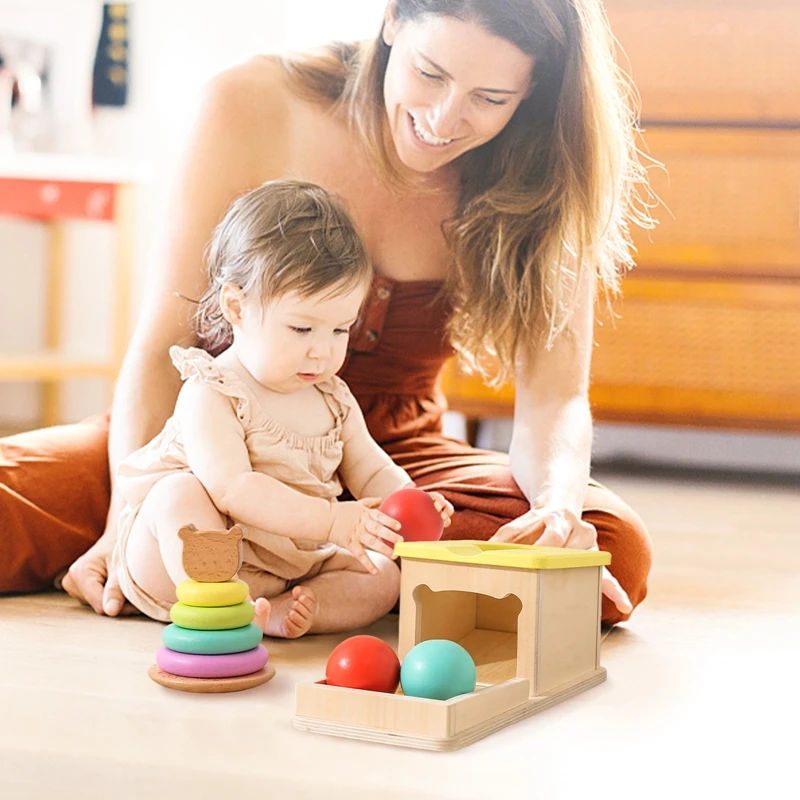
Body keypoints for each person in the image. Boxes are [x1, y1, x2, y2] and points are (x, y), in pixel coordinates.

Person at [0, 0, 654, 626]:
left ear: (534, 92)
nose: (444, 118)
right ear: (393, 15)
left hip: (387, 455)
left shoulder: (544, 172)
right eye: (430, 73)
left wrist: (557, 509)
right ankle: (271, 555)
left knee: (611, 543)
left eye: (491, 99)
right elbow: (160, 346)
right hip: (208, 440)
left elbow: (555, 397)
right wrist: (126, 513)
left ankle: (275, 570)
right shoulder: (253, 103)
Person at [111, 179, 452, 637]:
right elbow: (233, 488)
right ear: (237, 307)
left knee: (383, 575)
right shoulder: (213, 391)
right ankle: (217, 606)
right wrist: (334, 520)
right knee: (179, 496)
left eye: (339, 331)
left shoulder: (333, 399)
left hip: (289, 563)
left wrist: (408, 502)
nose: (322, 352)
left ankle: (291, 613)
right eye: (301, 329)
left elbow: (371, 470)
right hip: (179, 563)